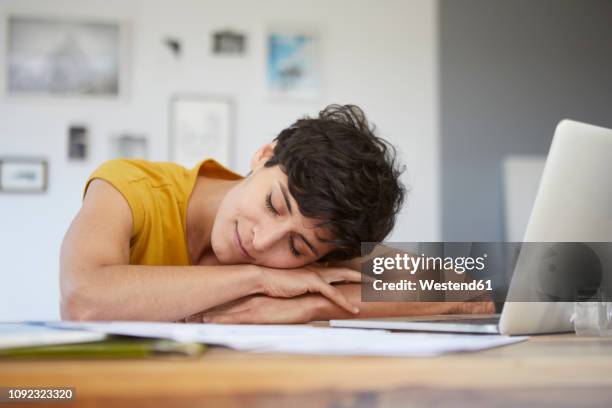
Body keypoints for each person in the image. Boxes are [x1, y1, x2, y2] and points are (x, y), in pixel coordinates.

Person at [60, 104, 492, 323]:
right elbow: (83, 299)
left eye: (296, 245)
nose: (263, 241)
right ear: (264, 156)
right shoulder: (131, 187)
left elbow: (467, 290)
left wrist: (312, 306)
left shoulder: (318, 244)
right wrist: (261, 279)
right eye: (273, 204)